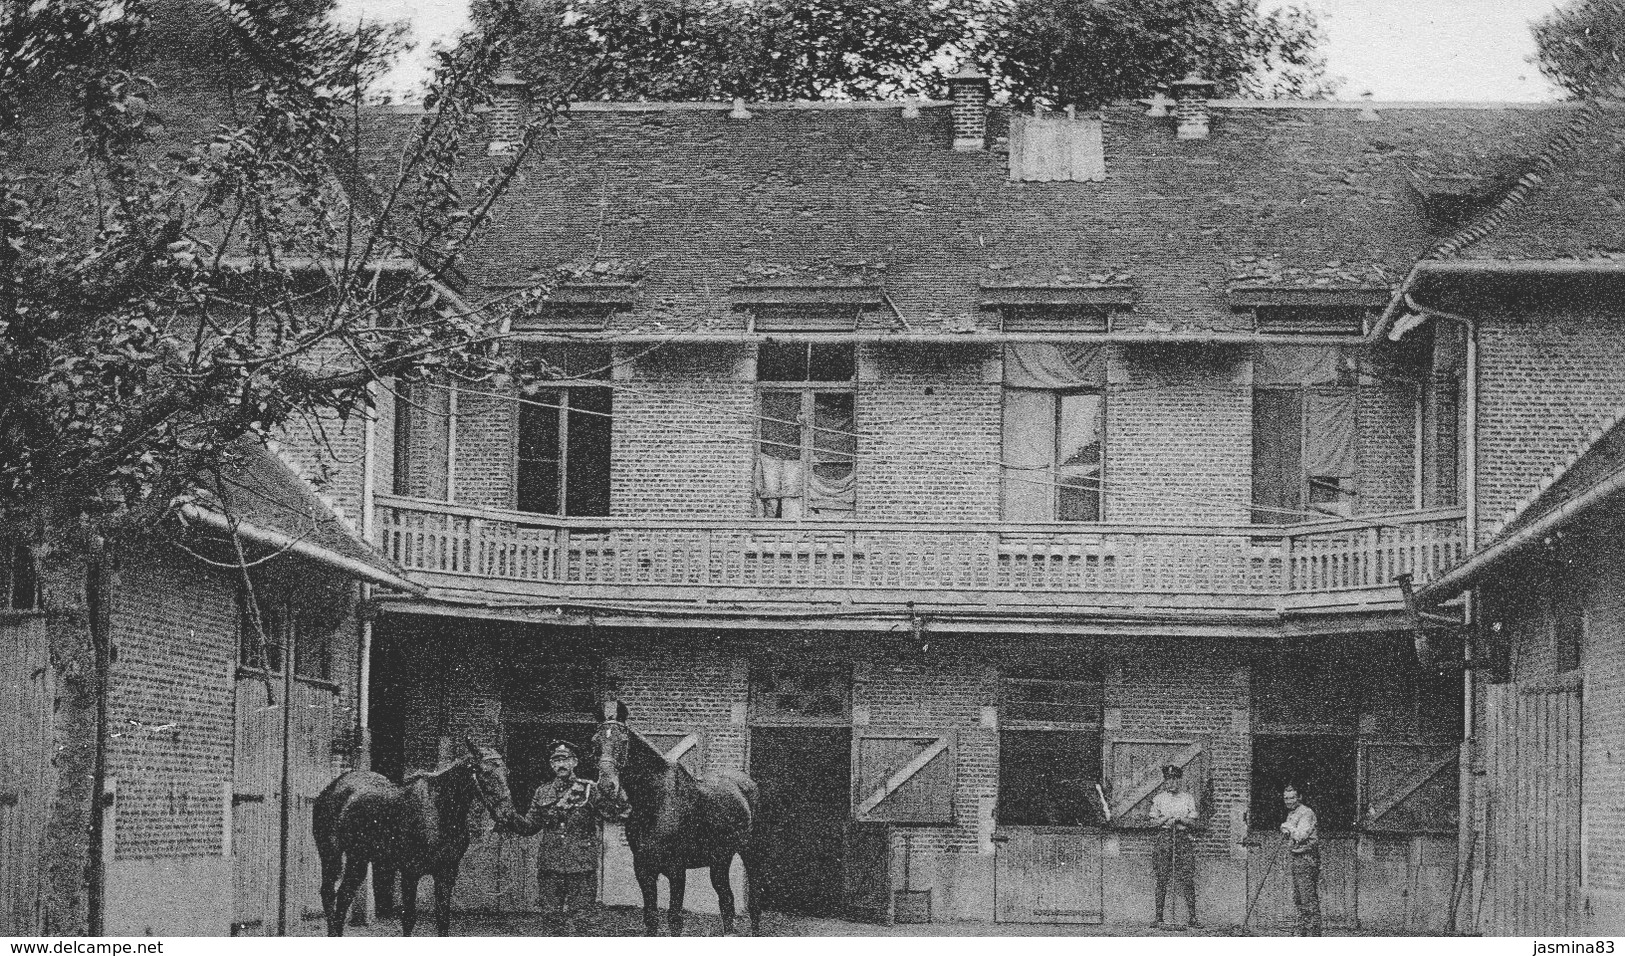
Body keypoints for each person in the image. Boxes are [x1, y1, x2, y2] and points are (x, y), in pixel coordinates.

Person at [507, 740, 612, 931]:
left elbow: (611, 813)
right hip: (551, 866)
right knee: (551, 920)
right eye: (556, 760)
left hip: (581, 866)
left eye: (566, 759)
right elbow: (530, 826)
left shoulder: (589, 790)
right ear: (551, 765)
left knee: (582, 921)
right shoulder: (543, 792)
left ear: (575, 762)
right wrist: (509, 817)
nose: (561, 764)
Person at [1148, 764, 1201, 930]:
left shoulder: (1187, 798)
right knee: (1162, 877)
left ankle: (1192, 917)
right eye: (1168, 780)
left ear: (1180, 780)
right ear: (1165, 781)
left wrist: (1179, 819)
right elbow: (1152, 822)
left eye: (1175, 779)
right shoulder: (1159, 799)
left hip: (1182, 839)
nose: (1171, 783)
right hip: (1164, 839)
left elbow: (1193, 822)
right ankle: (1159, 918)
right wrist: (1166, 819)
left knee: (1187, 877)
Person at [1281, 783, 1322, 937]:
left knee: (1308, 901)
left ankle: (1313, 936)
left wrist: (1287, 827)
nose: (1289, 801)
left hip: (1306, 860)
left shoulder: (1306, 813)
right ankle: (1302, 934)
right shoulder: (1292, 814)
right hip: (1296, 859)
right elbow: (1291, 836)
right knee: (1299, 900)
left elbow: (1300, 836)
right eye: (1286, 798)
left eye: (1292, 797)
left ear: (1299, 797)